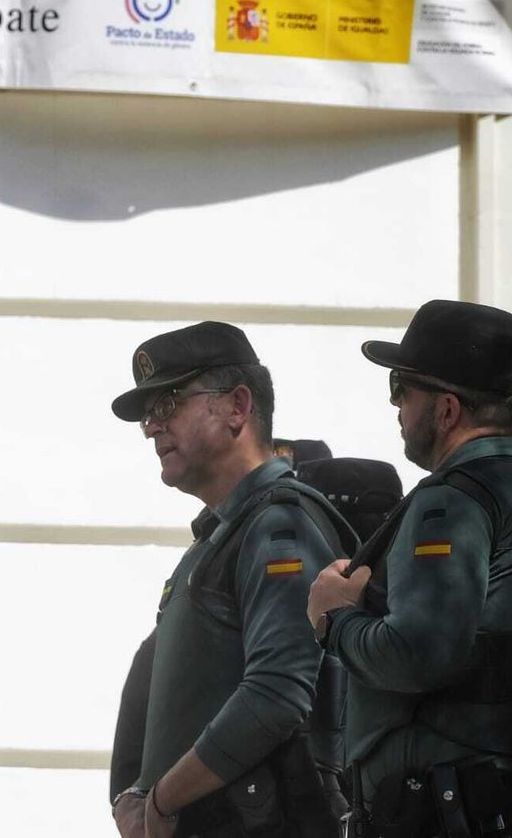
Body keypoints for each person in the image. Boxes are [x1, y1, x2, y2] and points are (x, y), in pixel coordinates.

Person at [307, 299, 512, 836]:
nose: (396, 408)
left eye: (401, 389)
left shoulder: (452, 502)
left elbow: (418, 655)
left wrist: (335, 621)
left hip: (449, 813)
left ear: (448, 410)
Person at [108, 323, 357, 838]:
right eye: (147, 416)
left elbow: (277, 695)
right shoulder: (221, 536)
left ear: (238, 407)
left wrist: (160, 802)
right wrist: (132, 793)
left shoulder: (278, 525)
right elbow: (157, 673)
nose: (152, 427)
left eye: (168, 403)